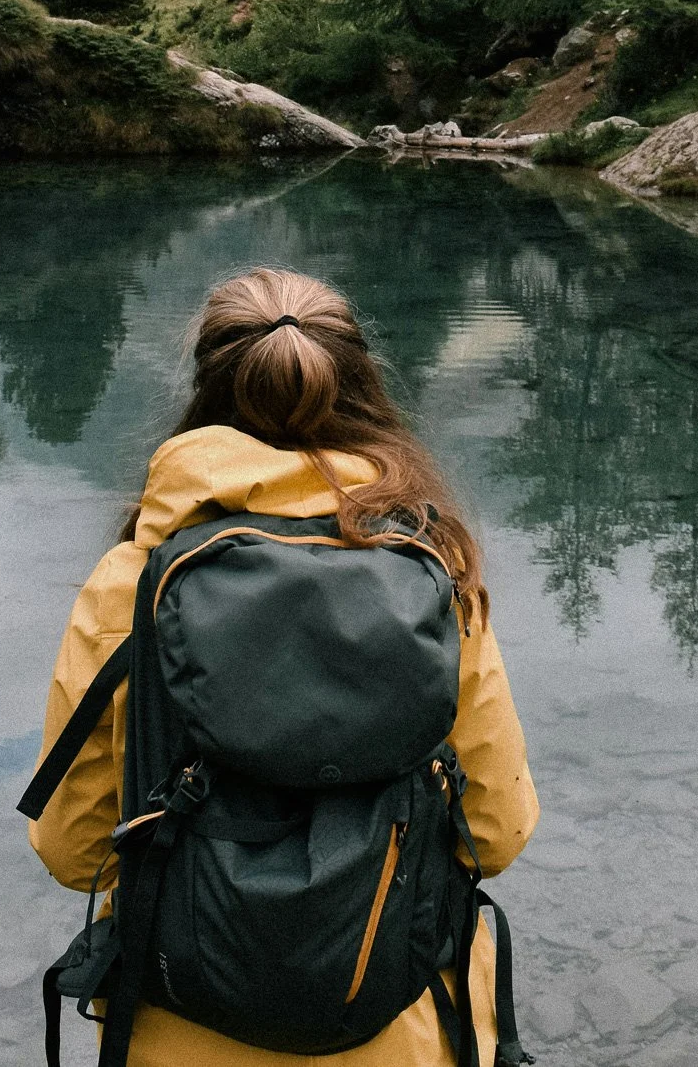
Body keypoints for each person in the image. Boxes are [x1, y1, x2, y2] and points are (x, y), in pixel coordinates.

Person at [29, 267, 540, 1067]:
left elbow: (77, 852)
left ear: (207, 393)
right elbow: (495, 835)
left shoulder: (132, 587)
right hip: (399, 1031)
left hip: (181, 1033)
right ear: (361, 387)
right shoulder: (433, 570)